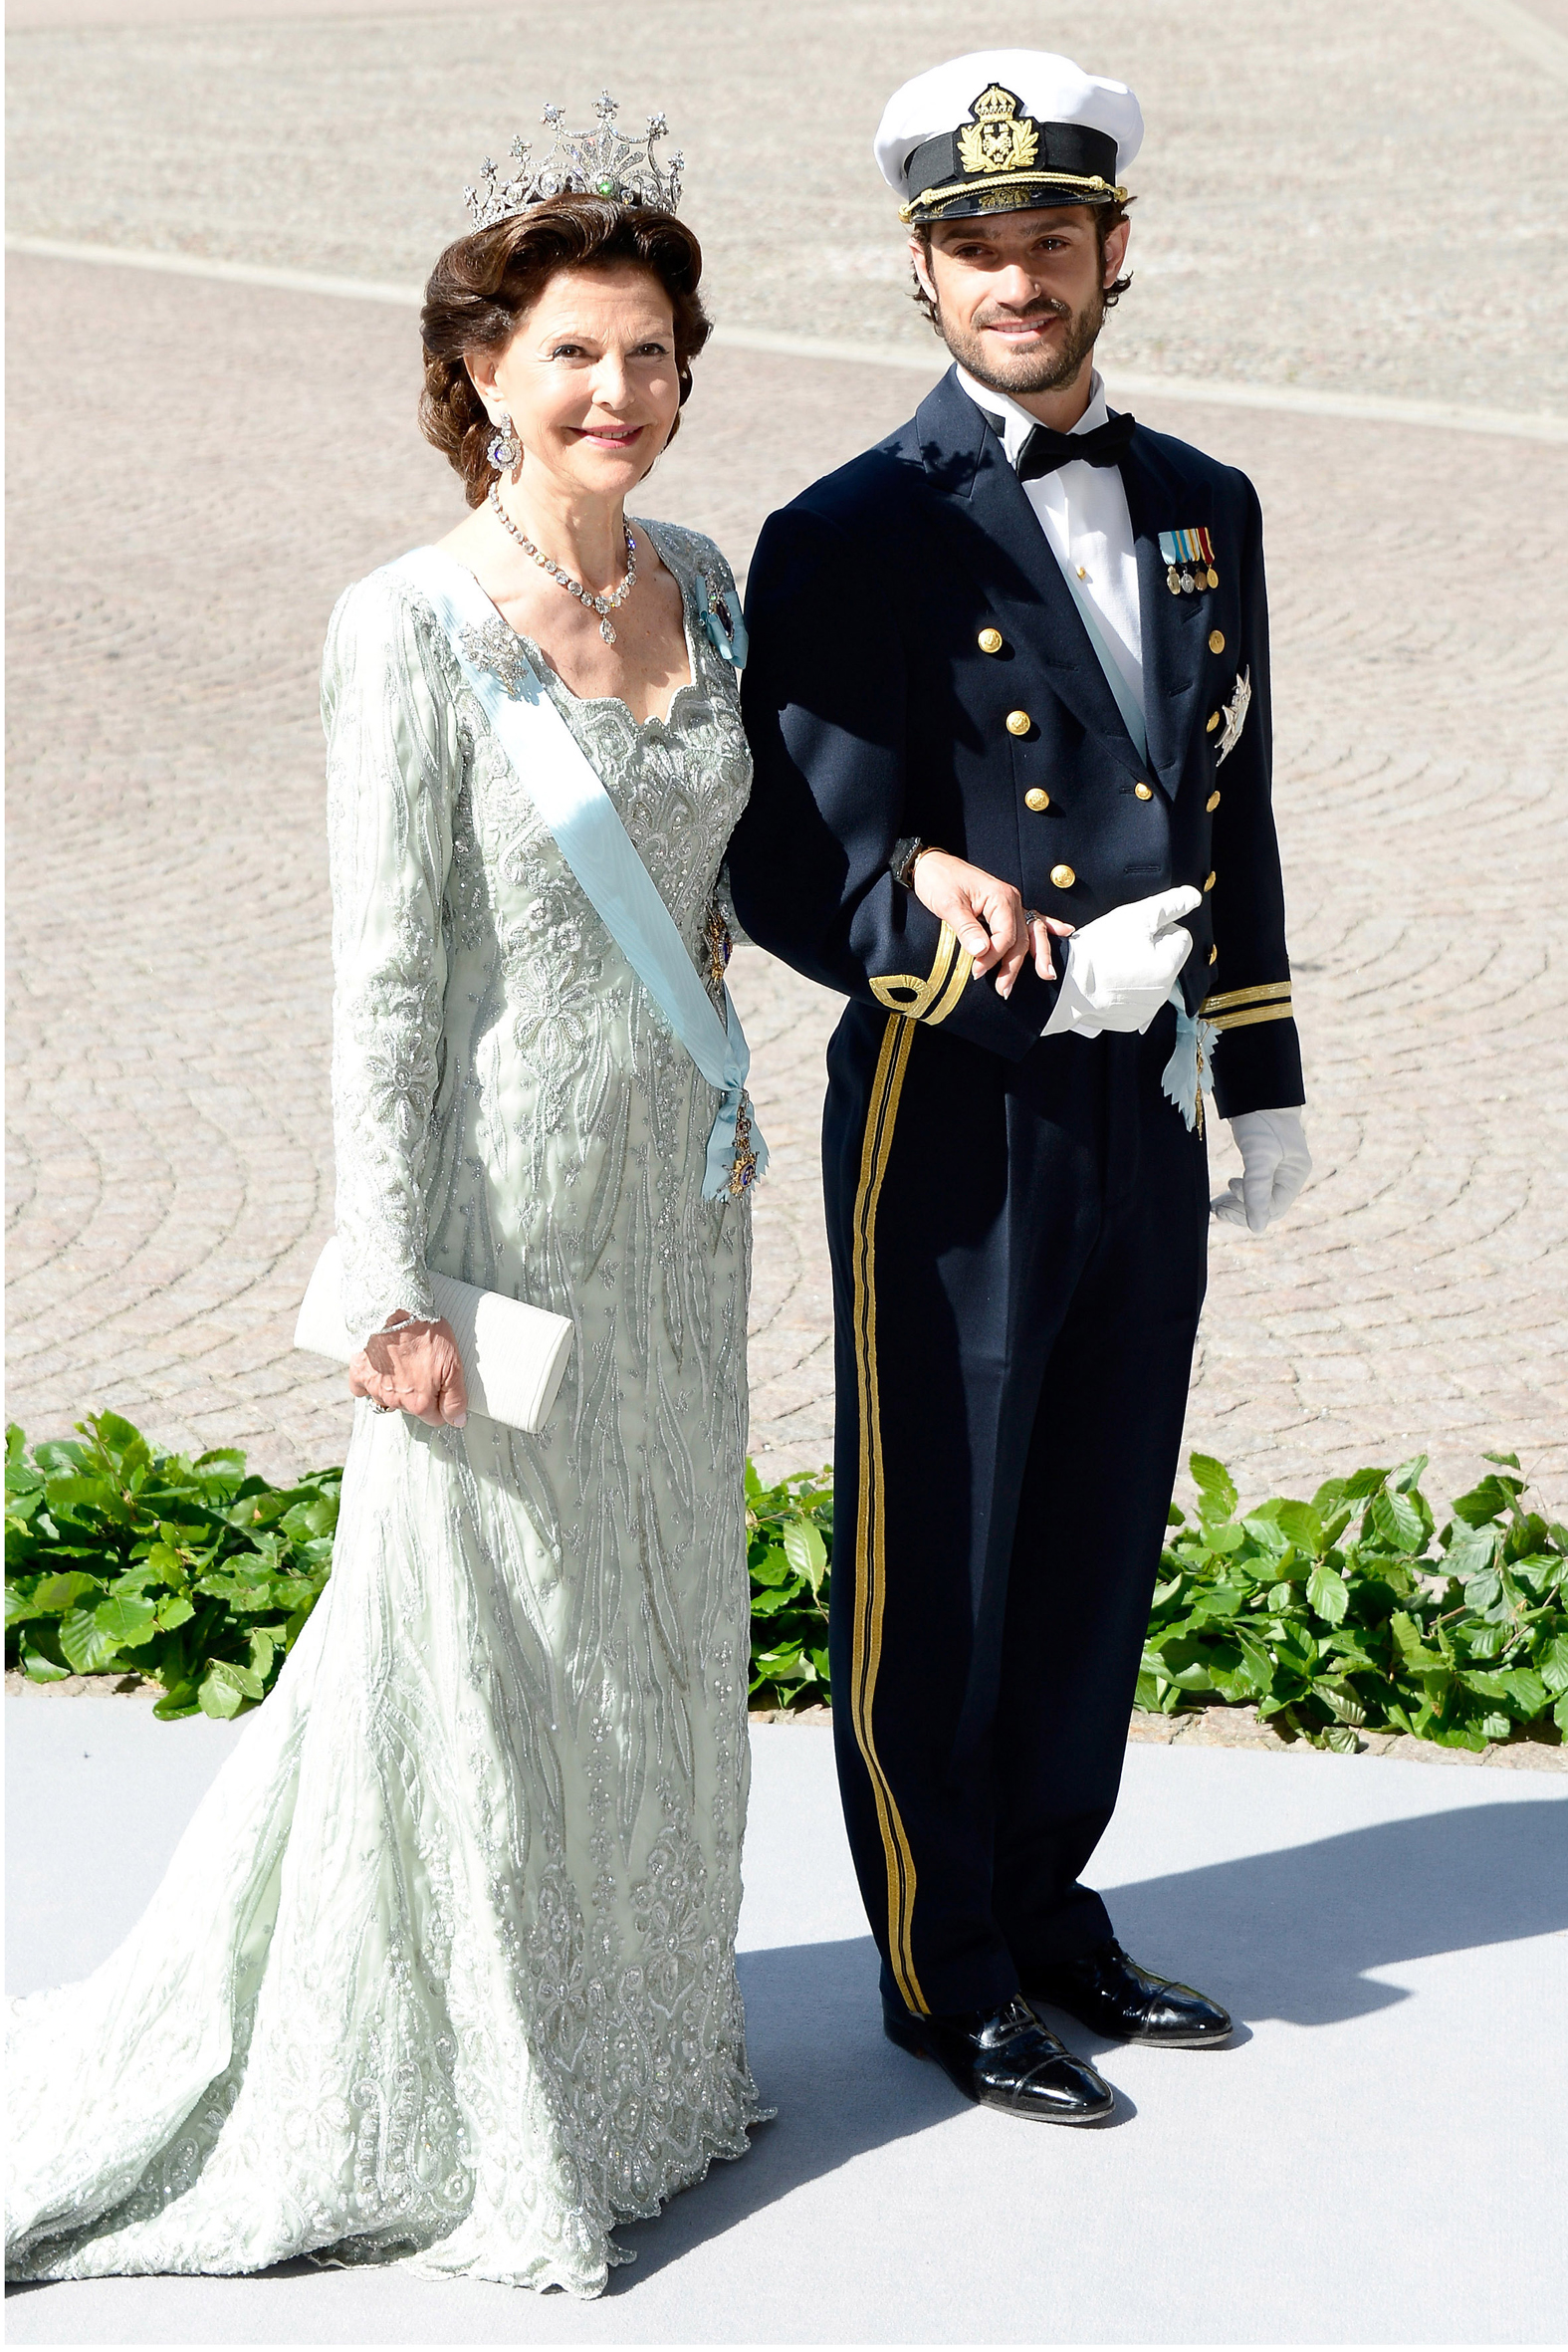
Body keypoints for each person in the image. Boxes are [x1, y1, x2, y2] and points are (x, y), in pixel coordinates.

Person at [8, 99, 769, 2293]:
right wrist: (386, 1277)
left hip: (675, 1213)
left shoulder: (703, 582)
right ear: (477, 377)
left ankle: (646, 2062)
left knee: (647, 1639)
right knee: (475, 1652)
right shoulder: (407, 626)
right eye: (567, 356)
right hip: (494, 1219)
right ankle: (491, 2102)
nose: (609, 393)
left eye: (644, 354)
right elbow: (377, 977)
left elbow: (744, 878)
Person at [727, 49, 1311, 2124]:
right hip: (952, 1101)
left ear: (1111, 249)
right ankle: (936, 1954)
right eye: (972, 247)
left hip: (1139, 1101)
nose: (1012, 276)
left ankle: (1052, 1905)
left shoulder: (1202, 506)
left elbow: (1228, 803)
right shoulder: (852, 530)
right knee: (945, 1528)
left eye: (1046, 238)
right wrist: (983, 962)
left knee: (1092, 1514)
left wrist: (1254, 1071)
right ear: (919, 269)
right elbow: (790, 856)